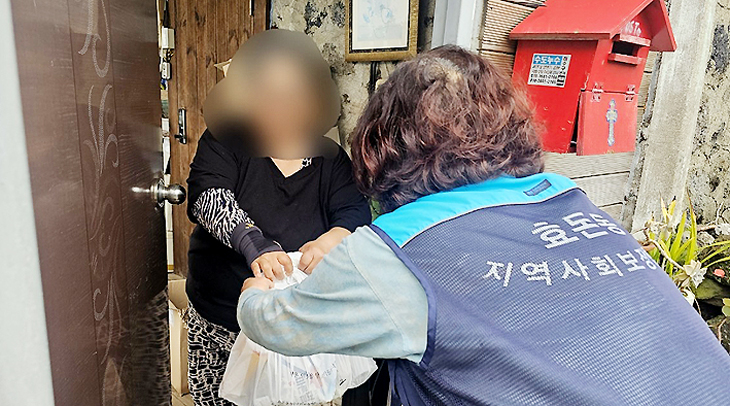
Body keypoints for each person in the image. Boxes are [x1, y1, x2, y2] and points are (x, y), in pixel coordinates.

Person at [237, 45, 730, 406]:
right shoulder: (572, 201)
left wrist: (253, 292)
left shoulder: (398, 248)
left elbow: (279, 323)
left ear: (382, 144)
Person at [185, 30, 372, 406]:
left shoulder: (329, 158)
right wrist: (255, 244)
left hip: (291, 324)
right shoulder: (225, 141)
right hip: (220, 315)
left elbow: (353, 210)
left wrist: (331, 239)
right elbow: (208, 196)